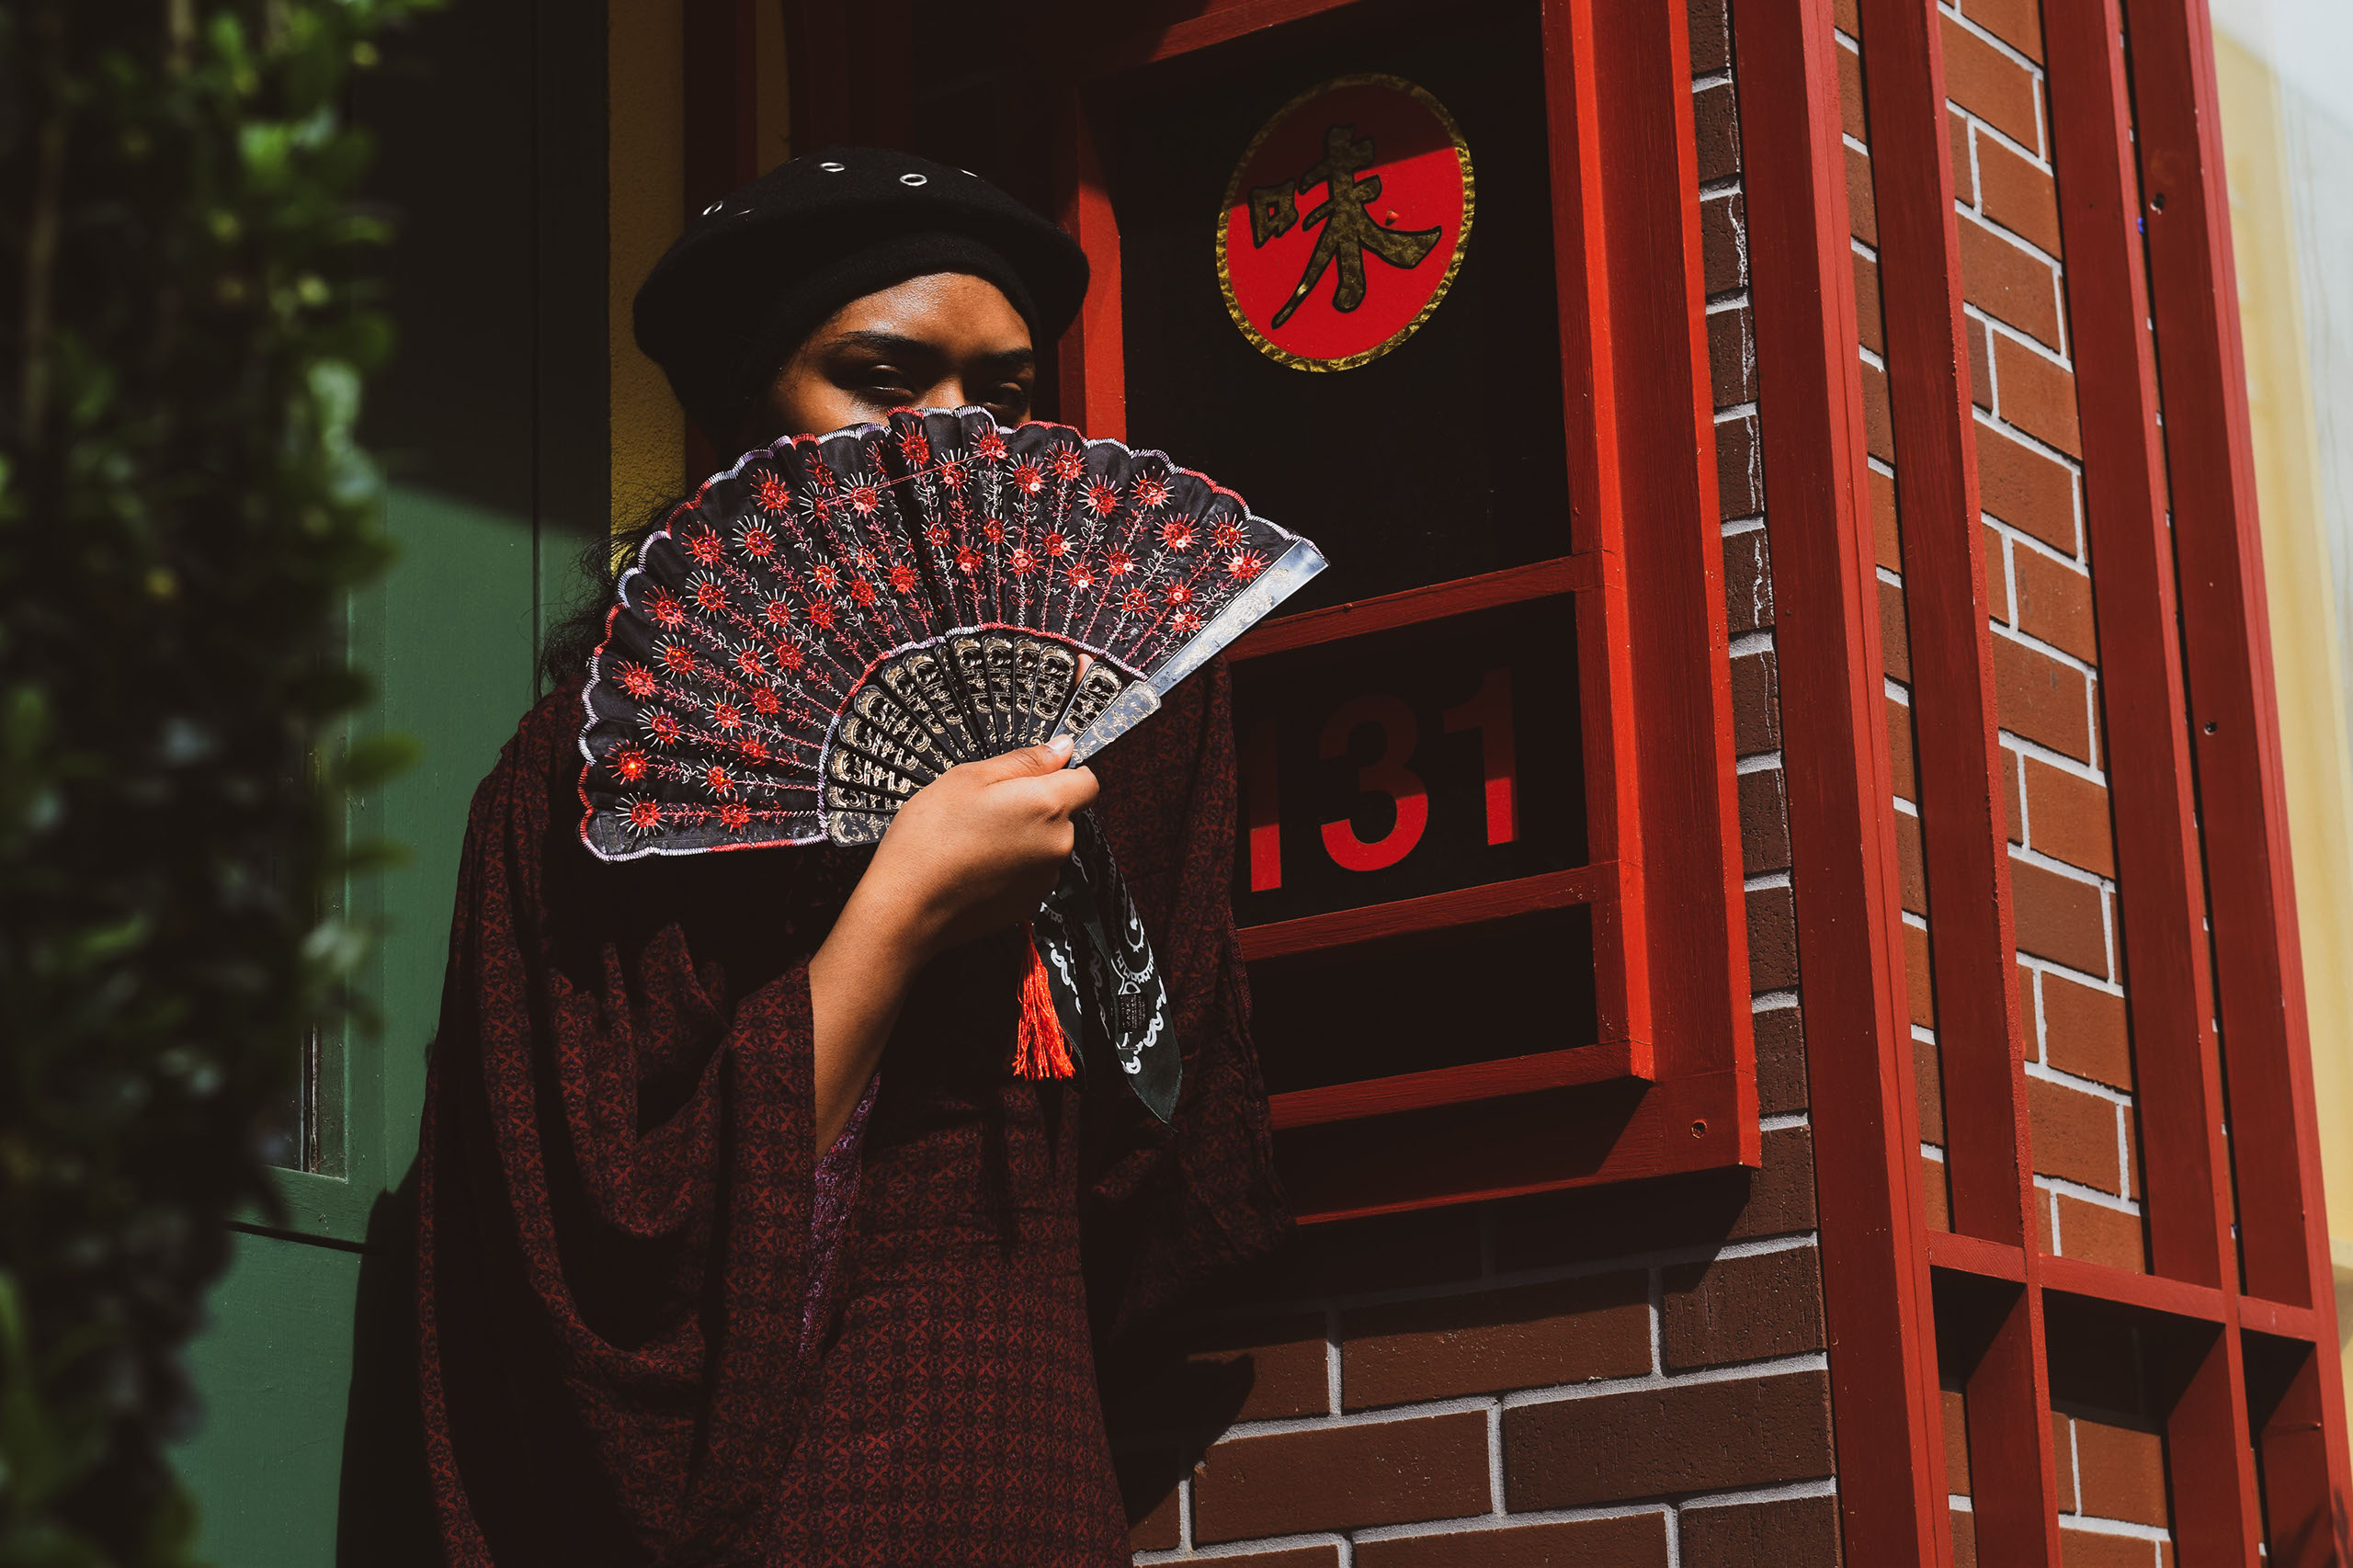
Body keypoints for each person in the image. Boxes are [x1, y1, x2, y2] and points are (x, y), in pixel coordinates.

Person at [410, 149, 1295, 1566]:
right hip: (788, 1495)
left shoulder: (1120, 737)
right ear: (741, 414)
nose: (954, 434)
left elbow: (1164, 1165)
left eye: (1000, 393)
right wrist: (897, 912)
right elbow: (589, 1248)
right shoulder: (587, 782)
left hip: (1029, 1459)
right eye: (885, 378)